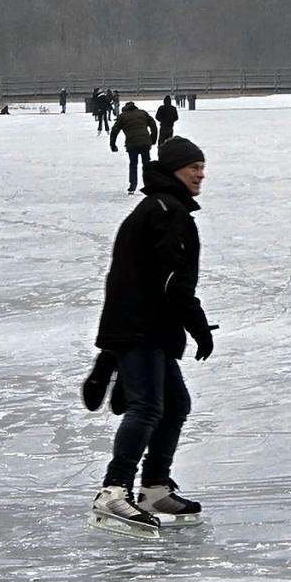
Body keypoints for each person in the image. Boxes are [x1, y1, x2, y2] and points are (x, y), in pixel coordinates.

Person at [87, 136, 215, 537]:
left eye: (202, 166)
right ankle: (114, 489)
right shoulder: (165, 211)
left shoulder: (157, 208)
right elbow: (174, 282)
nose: (200, 173)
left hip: (145, 328)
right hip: (142, 328)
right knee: (147, 407)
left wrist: (110, 350)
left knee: (175, 404)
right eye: (193, 166)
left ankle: (155, 487)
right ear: (175, 169)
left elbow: (128, 278)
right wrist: (197, 326)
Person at [109, 101, 157, 194]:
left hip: (132, 143)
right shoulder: (142, 113)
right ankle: (150, 184)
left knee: (133, 164)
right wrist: (153, 138)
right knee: (147, 164)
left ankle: (132, 186)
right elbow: (153, 125)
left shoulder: (122, 116)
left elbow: (115, 130)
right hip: (145, 143)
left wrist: (113, 144)